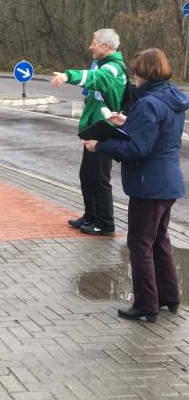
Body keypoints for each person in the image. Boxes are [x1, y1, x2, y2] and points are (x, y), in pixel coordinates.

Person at [84, 49, 188, 322]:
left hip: (148, 185)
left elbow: (138, 148)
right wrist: (128, 122)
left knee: (140, 244)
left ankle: (146, 304)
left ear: (145, 72)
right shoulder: (172, 98)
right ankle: (169, 297)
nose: (134, 76)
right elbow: (156, 133)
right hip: (167, 182)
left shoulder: (148, 103)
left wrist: (101, 145)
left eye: (137, 71)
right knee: (160, 241)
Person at [52, 28, 128, 236]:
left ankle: (106, 224)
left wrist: (67, 75)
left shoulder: (112, 69)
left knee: (99, 178)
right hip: (94, 129)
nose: (90, 47)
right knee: (87, 175)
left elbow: (94, 78)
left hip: (105, 130)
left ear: (105, 46)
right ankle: (91, 216)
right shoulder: (104, 65)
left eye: (94, 43)